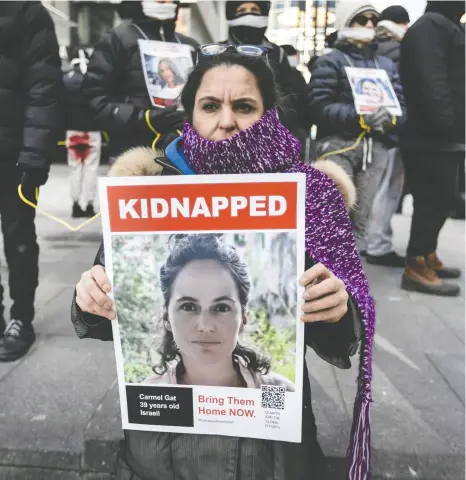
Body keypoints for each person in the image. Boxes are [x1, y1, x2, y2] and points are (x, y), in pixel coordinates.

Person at [72, 46, 375, 480]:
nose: (226, 121)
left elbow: (340, 336)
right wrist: (91, 297)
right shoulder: (148, 190)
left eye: (245, 106)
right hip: (159, 455)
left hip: (271, 458)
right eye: (210, 105)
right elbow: (104, 317)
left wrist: (337, 305)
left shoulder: (309, 198)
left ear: (268, 114)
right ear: (190, 113)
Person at [0, 1, 62, 361]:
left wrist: (35, 154)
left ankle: (21, 318)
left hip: (13, 152)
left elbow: (44, 86)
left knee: (18, 235)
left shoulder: (27, 11)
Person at [308, 1, 406, 255]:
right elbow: (318, 105)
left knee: (361, 223)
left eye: (374, 20)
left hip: (377, 151)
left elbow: (401, 107)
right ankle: (327, 279)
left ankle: (353, 285)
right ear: (346, 22)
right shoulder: (329, 61)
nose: (370, 25)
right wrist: (358, 118)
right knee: (331, 220)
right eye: (362, 19)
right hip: (338, 147)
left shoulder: (385, 64)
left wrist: (392, 119)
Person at [141, 234, 295, 391]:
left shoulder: (279, 391)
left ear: (243, 318)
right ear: (167, 317)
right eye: (188, 307)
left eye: (222, 308)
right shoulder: (147, 396)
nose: (205, 326)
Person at [399, 1, 465, 296]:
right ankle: (416, 264)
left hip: (444, 135)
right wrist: (447, 124)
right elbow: (431, 81)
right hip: (432, 135)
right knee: (432, 200)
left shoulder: (446, 25)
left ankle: (428, 255)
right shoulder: (431, 26)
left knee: (444, 198)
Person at [82, 1, 199, 158]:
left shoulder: (190, 46)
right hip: (132, 155)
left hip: (185, 154)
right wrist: (143, 118)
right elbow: (93, 98)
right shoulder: (116, 40)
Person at [223, 1, 310, 147]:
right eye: (242, 10)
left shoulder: (277, 54)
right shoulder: (219, 52)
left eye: (254, 10)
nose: (249, 14)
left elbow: (288, 94)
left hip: (271, 134)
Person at [363, 5, 410, 267]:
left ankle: (369, 241)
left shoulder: (371, 48)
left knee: (371, 188)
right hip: (391, 131)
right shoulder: (401, 51)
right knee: (388, 188)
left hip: (364, 129)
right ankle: (378, 244)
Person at [63, 48, 102, 218]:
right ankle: (89, 205)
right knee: (91, 169)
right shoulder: (94, 80)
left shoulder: (66, 81)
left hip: (72, 132)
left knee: (74, 168)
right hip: (92, 132)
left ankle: (75, 204)